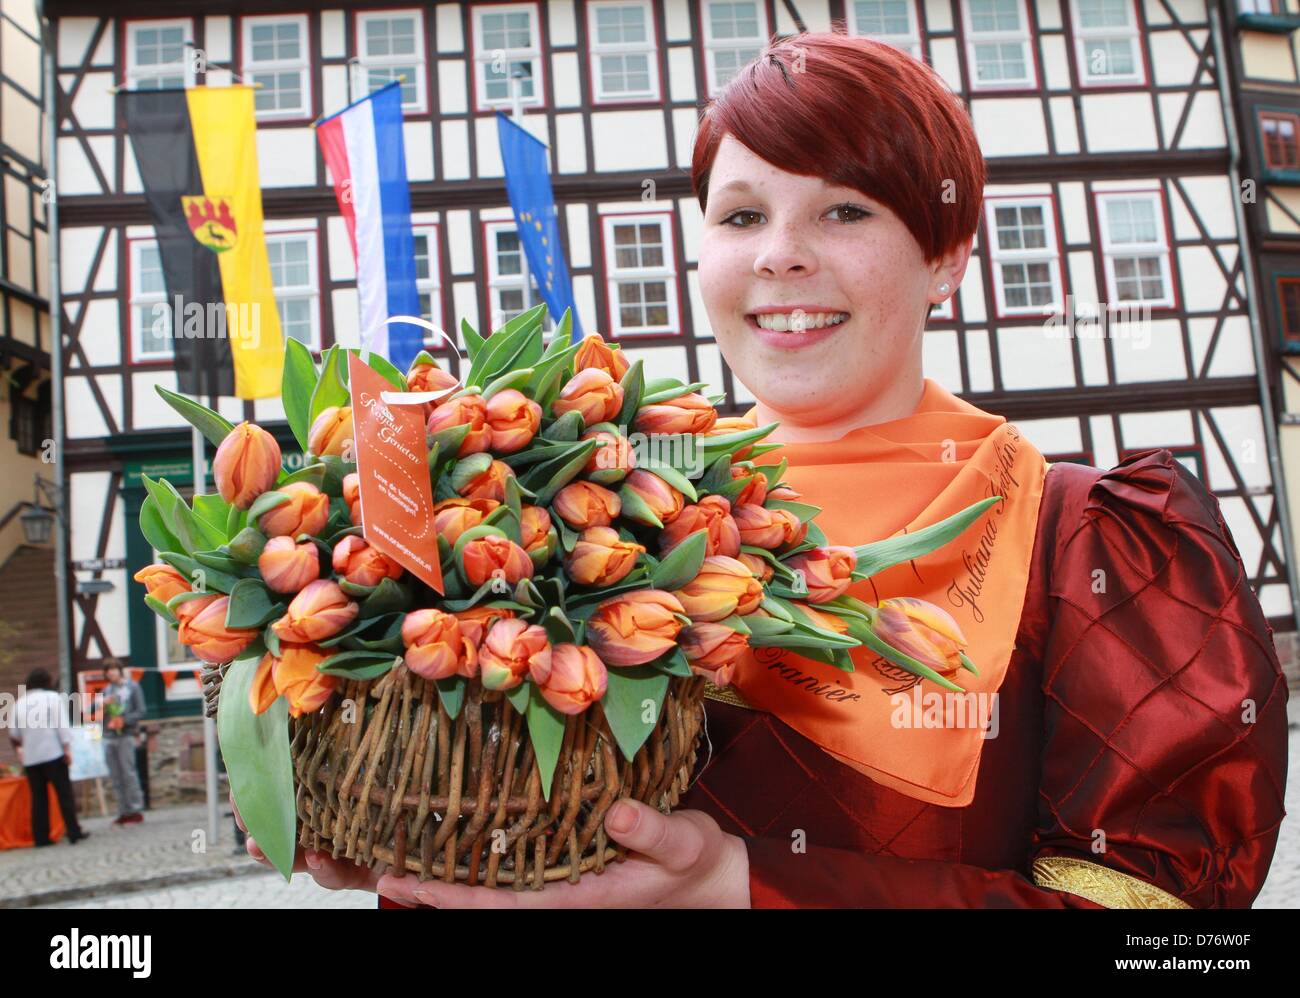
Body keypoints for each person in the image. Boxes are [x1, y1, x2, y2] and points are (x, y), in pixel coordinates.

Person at [244, 31, 1289, 908]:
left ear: (947, 253)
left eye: (845, 209)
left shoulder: (1093, 542)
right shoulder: (578, 519)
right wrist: (419, 843)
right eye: (741, 214)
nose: (779, 255)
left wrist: (743, 883)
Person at [5, 668, 88, 847]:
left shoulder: (19, 704)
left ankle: (41, 837)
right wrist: (67, 748)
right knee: (64, 795)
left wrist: (22, 751)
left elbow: (14, 734)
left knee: (38, 799)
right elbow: (62, 727)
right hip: (53, 753)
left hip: (31, 758)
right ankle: (73, 831)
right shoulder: (53, 699)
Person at [101, 659, 146, 825]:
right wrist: (102, 704)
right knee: (116, 775)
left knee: (129, 773)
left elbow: (141, 711)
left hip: (125, 735)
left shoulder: (132, 687)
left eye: (114, 669)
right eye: (108, 671)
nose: (111, 673)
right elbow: (93, 710)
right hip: (109, 736)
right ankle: (123, 810)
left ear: (120, 671)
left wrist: (124, 720)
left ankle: (135, 809)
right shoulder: (107, 691)